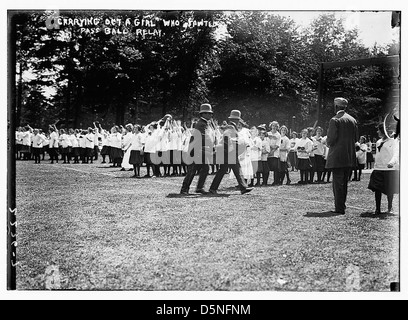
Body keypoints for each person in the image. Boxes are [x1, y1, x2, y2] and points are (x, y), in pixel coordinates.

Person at [325, 97, 359, 215]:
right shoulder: (353, 120)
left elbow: (331, 139)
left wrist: (328, 142)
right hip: (349, 157)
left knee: (338, 183)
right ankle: (342, 206)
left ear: (336, 107)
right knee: (344, 183)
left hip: (337, 157)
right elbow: (356, 139)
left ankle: (339, 208)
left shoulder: (335, 120)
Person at [208, 110, 254, 195]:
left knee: (231, 170)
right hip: (228, 153)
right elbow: (226, 138)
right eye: (235, 119)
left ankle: (243, 187)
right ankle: (243, 187)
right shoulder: (231, 127)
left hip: (228, 153)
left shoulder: (231, 127)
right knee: (230, 170)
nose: (236, 121)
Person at [180, 103, 215, 195]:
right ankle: (184, 189)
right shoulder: (201, 124)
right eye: (208, 113)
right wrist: (211, 145)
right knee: (192, 170)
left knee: (205, 168)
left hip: (201, 150)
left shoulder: (205, 123)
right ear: (203, 114)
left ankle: (199, 188)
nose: (210, 115)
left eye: (210, 113)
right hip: (196, 150)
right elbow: (203, 136)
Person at [368, 124, 399, 214]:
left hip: (389, 169)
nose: (377, 132)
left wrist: (392, 162)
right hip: (378, 168)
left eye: (379, 130)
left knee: (390, 190)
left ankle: (390, 207)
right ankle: (378, 209)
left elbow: (396, 154)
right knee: (377, 189)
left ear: (384, 131)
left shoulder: (394, 141)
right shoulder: (378, 142)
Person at [266, 121, 281, 185]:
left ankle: (276, 181)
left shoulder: (278, 135)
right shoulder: (267, 133)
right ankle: (265, 181)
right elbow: (266, 142)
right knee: (267, 168)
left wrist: (272, 151)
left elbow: (277, 145)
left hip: (274, 153)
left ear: (277, 127)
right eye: (273, 126)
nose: (274, 127)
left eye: (275, 126)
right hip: (267, 152)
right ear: (271, 126)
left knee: (275, 168)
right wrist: (268, 150)